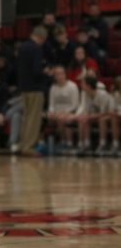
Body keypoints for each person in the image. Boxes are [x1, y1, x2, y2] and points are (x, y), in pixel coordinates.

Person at [16, 26, 49, 155]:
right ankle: (29, 147)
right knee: (34, 119)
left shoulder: (22, 47)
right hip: (35, 88)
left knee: (26, 117)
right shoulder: (36, 49)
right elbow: (36, 71)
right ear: (41, 37)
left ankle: (22, 144)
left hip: (24, 87)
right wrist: (45, 72)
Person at [74, 76, 119, 155]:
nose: (81, 85)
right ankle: (86, 144)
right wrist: (85, 116)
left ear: (89, 85)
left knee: (101, 120)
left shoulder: (102, 95)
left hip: (108, 113)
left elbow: (104, 112)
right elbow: (86, 109)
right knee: (84, 119)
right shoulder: (85, 94)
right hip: (97, 114)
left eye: (83, 83)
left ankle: (103, 144)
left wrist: (90, 116)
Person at [47, 66, 79, 149]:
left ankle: (67, 142)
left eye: (61, 73)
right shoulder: (53, 87)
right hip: (57, 112)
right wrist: (51, 112)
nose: (60, 76)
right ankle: (45, 142)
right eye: (57, 74)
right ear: (54, 76)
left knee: (63, 118)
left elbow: (74, 105)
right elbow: (51, 104)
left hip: (70, 111)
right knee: (49, 116)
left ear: (65, 74)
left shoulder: (72, 86)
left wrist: (65, 112)